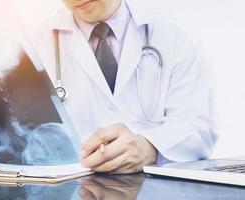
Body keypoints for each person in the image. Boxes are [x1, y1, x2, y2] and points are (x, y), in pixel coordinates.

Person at [31, 0, 217, 174]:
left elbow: (198, 128)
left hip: (155, 190)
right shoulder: (38, 44)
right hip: (77, 190)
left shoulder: (173, 38)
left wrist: (149, 148)